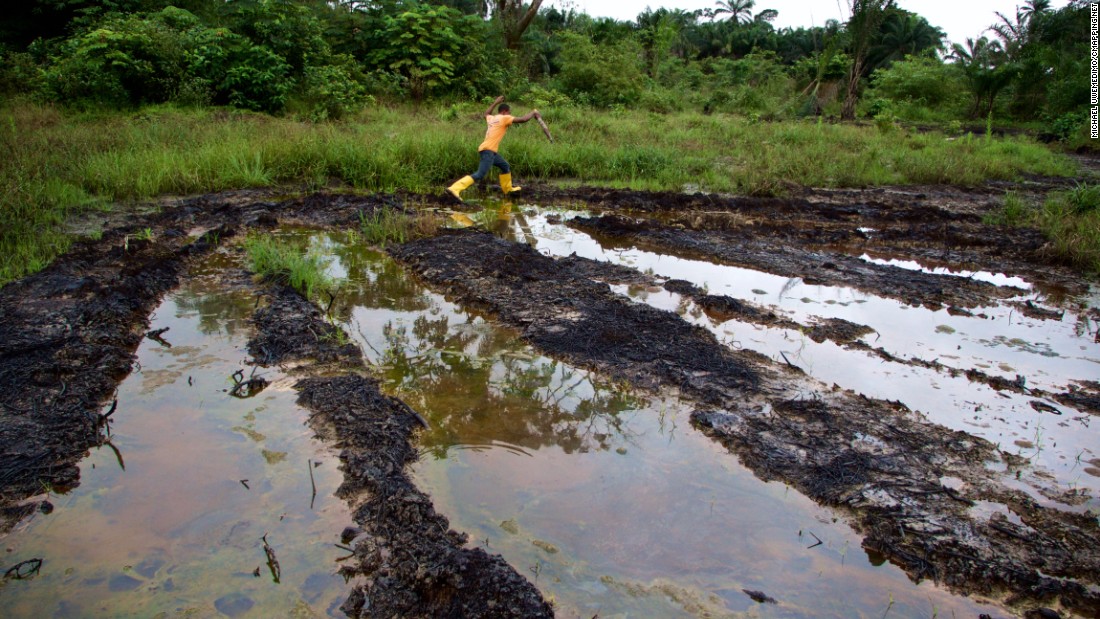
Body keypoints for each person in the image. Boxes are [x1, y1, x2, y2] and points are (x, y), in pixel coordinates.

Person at [446, 95, 540, 201]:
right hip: (488, 151)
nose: (510, 115)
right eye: (509, 112)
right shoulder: (505, 118)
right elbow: (523, 119)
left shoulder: (492, 118)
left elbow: (486, 113)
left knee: (505, 166)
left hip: (489, 150)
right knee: (480, 174)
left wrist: (495, 102)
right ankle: (454, 188)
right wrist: (533, 112)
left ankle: (508, 189)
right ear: (505, 111)